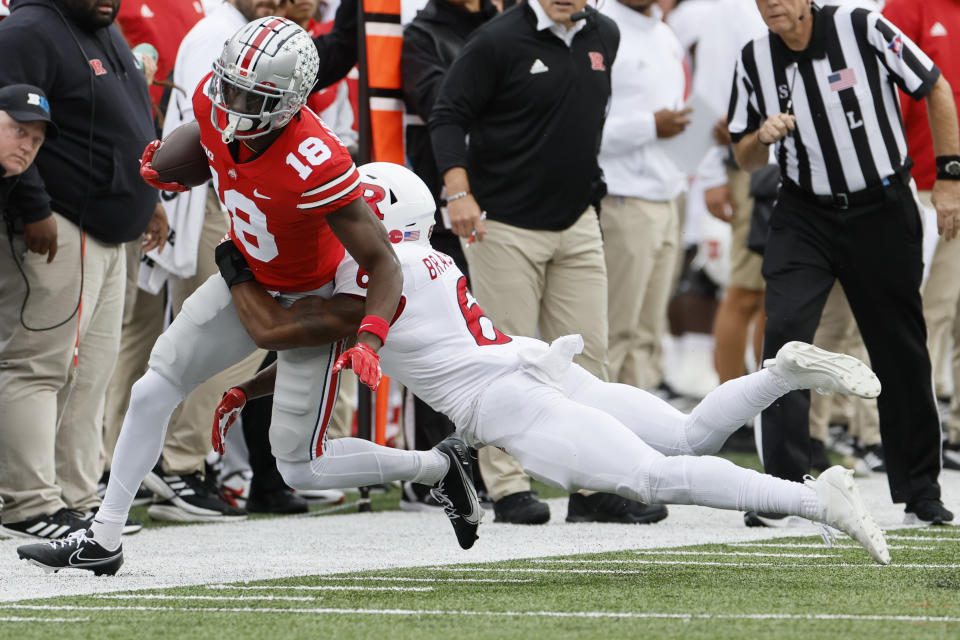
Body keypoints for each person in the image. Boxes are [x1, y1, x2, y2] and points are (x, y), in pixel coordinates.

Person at [23, 161, 897, 576]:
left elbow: (299, 324)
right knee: (688, 429)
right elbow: (332, 334)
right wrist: (249, 388)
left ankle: (816, 501)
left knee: (660, 473)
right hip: (535, 366)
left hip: (510, 400)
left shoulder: (374, 273)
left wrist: (240, 272)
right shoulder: (430, 257)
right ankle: (781, 371)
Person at [14, 17, 405, 572]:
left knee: (300, 466)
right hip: (247, 275)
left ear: (291, 100)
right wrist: (173, 166)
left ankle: (435, 467)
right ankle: (103, 539)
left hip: (314, 295)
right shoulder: (214, 97)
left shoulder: (316, 159)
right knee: (155, 387)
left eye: (255, 94)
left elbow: (382, 261)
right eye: (232, 84)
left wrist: (369, 336)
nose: (234, 101)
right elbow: (206, 133)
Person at [430, 0, 661, 526]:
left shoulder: (605, 33)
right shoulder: (495, 40)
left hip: (577, 219)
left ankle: (593, 487)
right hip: (503, 223)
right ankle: (507, 486)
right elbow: (447, 116)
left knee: (590, 359)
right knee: (506, 362)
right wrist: (458, 192)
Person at [729, 0, 960, 524]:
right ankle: (780, 489)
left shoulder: (862, 26)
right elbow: (741, 150)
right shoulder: (753, 58)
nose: (773, 8)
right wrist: (760, 139)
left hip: (880, 206)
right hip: (803, 212)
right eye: (763, 0)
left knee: (898, 344)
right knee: (785, 337)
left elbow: (935, 86)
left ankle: (920, 490)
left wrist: (949, 176)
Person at [0, 0, 167, 539]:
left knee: (91, 373)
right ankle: (27, 503)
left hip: (112, 230)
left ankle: (74, 497)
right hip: (59, 223)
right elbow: (8, 128)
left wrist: (151, 197)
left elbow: (128, 121)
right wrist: (33, 206)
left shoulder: (100, 28)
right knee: (36, 366)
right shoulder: (28, 30)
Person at [399, 0, 499, 510]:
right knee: (439, 333)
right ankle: (431, 469)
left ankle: (481, 466)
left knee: (488, 336)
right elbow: (441, 101)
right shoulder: (424, 32)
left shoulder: (506, 25)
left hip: (502, 196)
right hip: (441, 200)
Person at [882, 0, 960, 473]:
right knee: (927, 314)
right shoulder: (908, 5)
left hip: (949, 182)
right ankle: (915, 436)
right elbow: (890, 97)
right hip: (927, 185)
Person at [597, 0, 688, 391]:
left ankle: (643, 439)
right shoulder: (599, 31)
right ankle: (596, 437)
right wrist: (649, 126)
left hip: (668, 195)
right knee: (615, 332)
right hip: (622, 196)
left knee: (650, 334)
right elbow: (585, 128)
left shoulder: (665, 34)